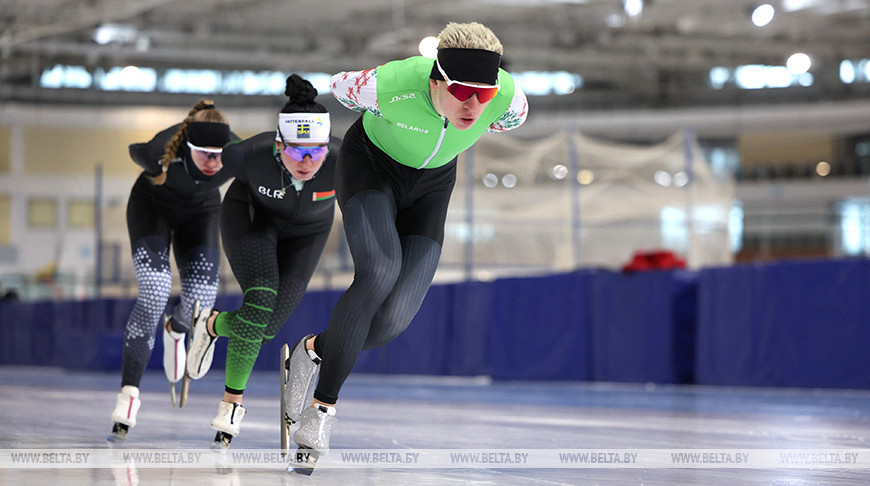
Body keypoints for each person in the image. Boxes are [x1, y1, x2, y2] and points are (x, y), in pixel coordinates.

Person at [284, 21, 528, 471]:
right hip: (371, 169)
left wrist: (484, 106)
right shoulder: (389, 84)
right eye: (460, 92)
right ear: (434, 80)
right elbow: (337, 86)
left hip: (432, 189)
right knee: (379, 270)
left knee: (393, 321)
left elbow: (510, 115)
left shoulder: (509, 100)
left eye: (484, 94)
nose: (473, 106)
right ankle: (320, 412)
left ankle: (311, 350)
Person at [184, 74, 340, 449]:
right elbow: (198, 170)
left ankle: (213, 324)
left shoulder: (346, 161)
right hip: (252, 220)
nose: (306, 162)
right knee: (259, 302)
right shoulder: (247, 155)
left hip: (308, 235)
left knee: (264, 328)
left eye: (316, 151)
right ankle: (231, 404)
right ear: (277, 145)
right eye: (295, 151)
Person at [108, 100, 237, 442]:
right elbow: (135, 149)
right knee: (154, 290)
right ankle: (129, 394)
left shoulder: (237, 151)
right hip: (152, 208)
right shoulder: (159, 151)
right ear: (187, 146)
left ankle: (176, 329)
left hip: (202, 214)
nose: (213, 162)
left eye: (219, 155)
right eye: (204, 153)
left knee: (203, 299)